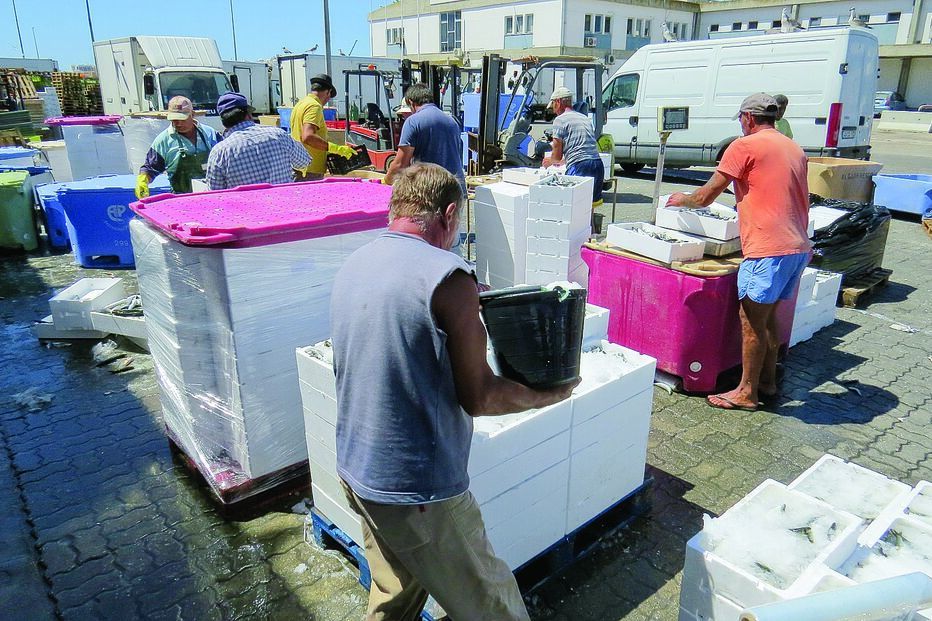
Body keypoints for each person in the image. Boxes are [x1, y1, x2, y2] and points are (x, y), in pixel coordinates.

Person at [330, 163, 578, 621]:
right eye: (458, 223)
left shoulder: (357, 261)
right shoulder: (449, 275)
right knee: (494, 602)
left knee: (396, 592)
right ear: (448, 214)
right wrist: (549, 395)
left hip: (356, 470)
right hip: (418, 492)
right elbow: (480, 396)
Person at [666, 93, 811, 412]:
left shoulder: (744, 146)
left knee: (751, 321)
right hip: (796, 246)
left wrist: (682, 199)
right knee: (769, 317)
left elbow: (706, 196)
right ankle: (768, 381)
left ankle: (746, 392)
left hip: (768, 249)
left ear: (747, 117)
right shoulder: (793, 147)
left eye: (741, 120)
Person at [205, 92, 311, 190]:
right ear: (249, 115)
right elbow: (304, 161)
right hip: (283, 206)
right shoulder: (278, 135)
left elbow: (215, 192)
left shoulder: (219, 152)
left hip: (245, 210)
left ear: (224, 123)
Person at [383, 83, 466, 194]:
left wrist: (386, 180)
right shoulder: (452, 121)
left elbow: (400, 164)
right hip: (456, 190)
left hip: (431, 191)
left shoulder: (413, 121)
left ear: (411, 102)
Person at [135, 96, 220, 198]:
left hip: (212, 196)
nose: (178, 123)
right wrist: (143, 180)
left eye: (182, 119)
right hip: (181, 200)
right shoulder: (163, 140)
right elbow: (150, 167)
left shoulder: (210, 133)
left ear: (192, 115)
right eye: (174, 119)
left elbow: (225, 159)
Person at [542, 86, 605, 207]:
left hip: (580, 167)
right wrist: (563, 161)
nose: (554, 110)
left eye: (553, 105)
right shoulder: (584, 118)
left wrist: (550, 161)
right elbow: (583, 148)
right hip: (597, 165)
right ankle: (593, 226)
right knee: (588, 208)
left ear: (559, 101)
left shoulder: (560, 120)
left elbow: (556, 156)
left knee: (574, 208)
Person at [290, 74, 355, 181]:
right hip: (310, 170)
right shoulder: (314, 106)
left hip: (299, 165)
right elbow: (308, 136)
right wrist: (336, 148)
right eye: (329, 95)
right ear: (327, 92)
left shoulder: (300, 104)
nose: (328, 99)